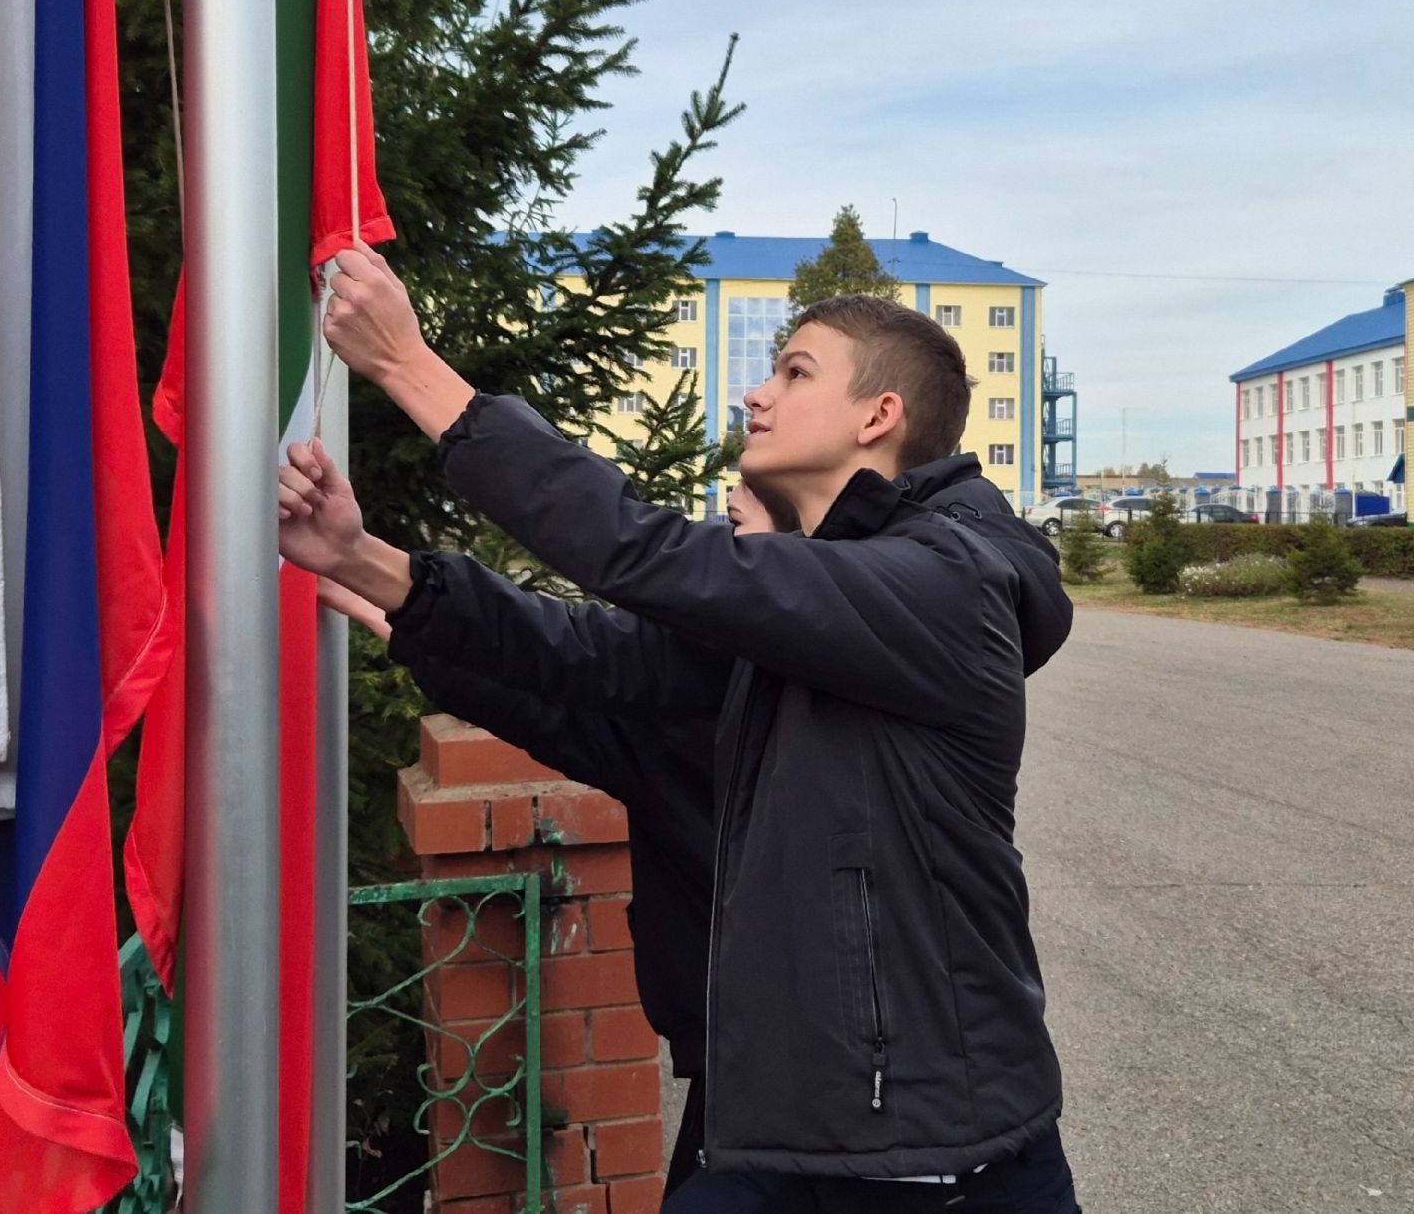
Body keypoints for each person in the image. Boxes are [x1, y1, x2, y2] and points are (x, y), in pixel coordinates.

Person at [279, 248, 1080, 1211]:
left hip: (937, 1155)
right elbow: (595, 656)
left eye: (795, 372)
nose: (759, 395)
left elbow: (647, 555)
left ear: (879, 416)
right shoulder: (812, 614)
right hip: (783, 1131)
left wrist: (412, 366)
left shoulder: (946, 584)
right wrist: (368, 561)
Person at [316, 481, 779, 1198]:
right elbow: (547, 705)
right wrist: (404, 617)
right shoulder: (689, 718)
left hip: (815, 1096)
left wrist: (395, 588)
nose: (713, 557)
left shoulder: (824, 701)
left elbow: (569, 648)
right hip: (735, 1079)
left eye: (736, 536)